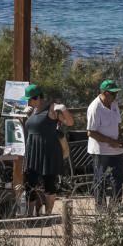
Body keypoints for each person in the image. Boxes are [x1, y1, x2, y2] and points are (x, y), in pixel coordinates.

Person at [23, 84, 74, 215]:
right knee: (29, 183)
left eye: (30, 99)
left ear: (38, 97)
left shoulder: (52, 109)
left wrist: (63, 109)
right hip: (33, 149)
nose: (28, 102)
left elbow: (70, 122)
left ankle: (48, 213)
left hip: (48, 150)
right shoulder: (31, 110)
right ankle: (29, 215)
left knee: (48, 183)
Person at [87, 79, 123, 210]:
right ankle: (101, 207)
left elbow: (118, 123)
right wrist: (110, 141)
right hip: (100, 151)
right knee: (100, 180)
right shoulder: (95, 108)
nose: (116, 96)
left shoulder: (114, 104)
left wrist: (120, 136)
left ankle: (115, 205)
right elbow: (91, 132)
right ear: (106, 93)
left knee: (118, 179)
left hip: (116, 150)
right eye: (114, 94)